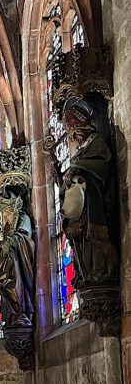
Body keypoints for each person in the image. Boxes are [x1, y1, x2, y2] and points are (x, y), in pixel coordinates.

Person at [58, 97, 117, 288]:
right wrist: (61, 177)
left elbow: (102, 165)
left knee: (94, 239)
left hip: (94, 204)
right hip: (82, 209)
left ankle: (100, 272)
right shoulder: (82, 149)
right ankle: (87, 274)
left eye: (72, 125)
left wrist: (76, 168)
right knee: (82, 241)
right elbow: (70, 188)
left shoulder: (96, 141)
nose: (71, 132)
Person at [0, 184, 35, 328]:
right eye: (4, 213)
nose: (5, 217)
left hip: (19, 265)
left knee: (15, 286)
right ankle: (13, 314)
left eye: (7, 213)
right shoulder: (7, 227)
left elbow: (26, 239)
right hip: (9, 264)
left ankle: (22, 313)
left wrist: (12, 241)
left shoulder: (24, 219)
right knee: (4, 286)